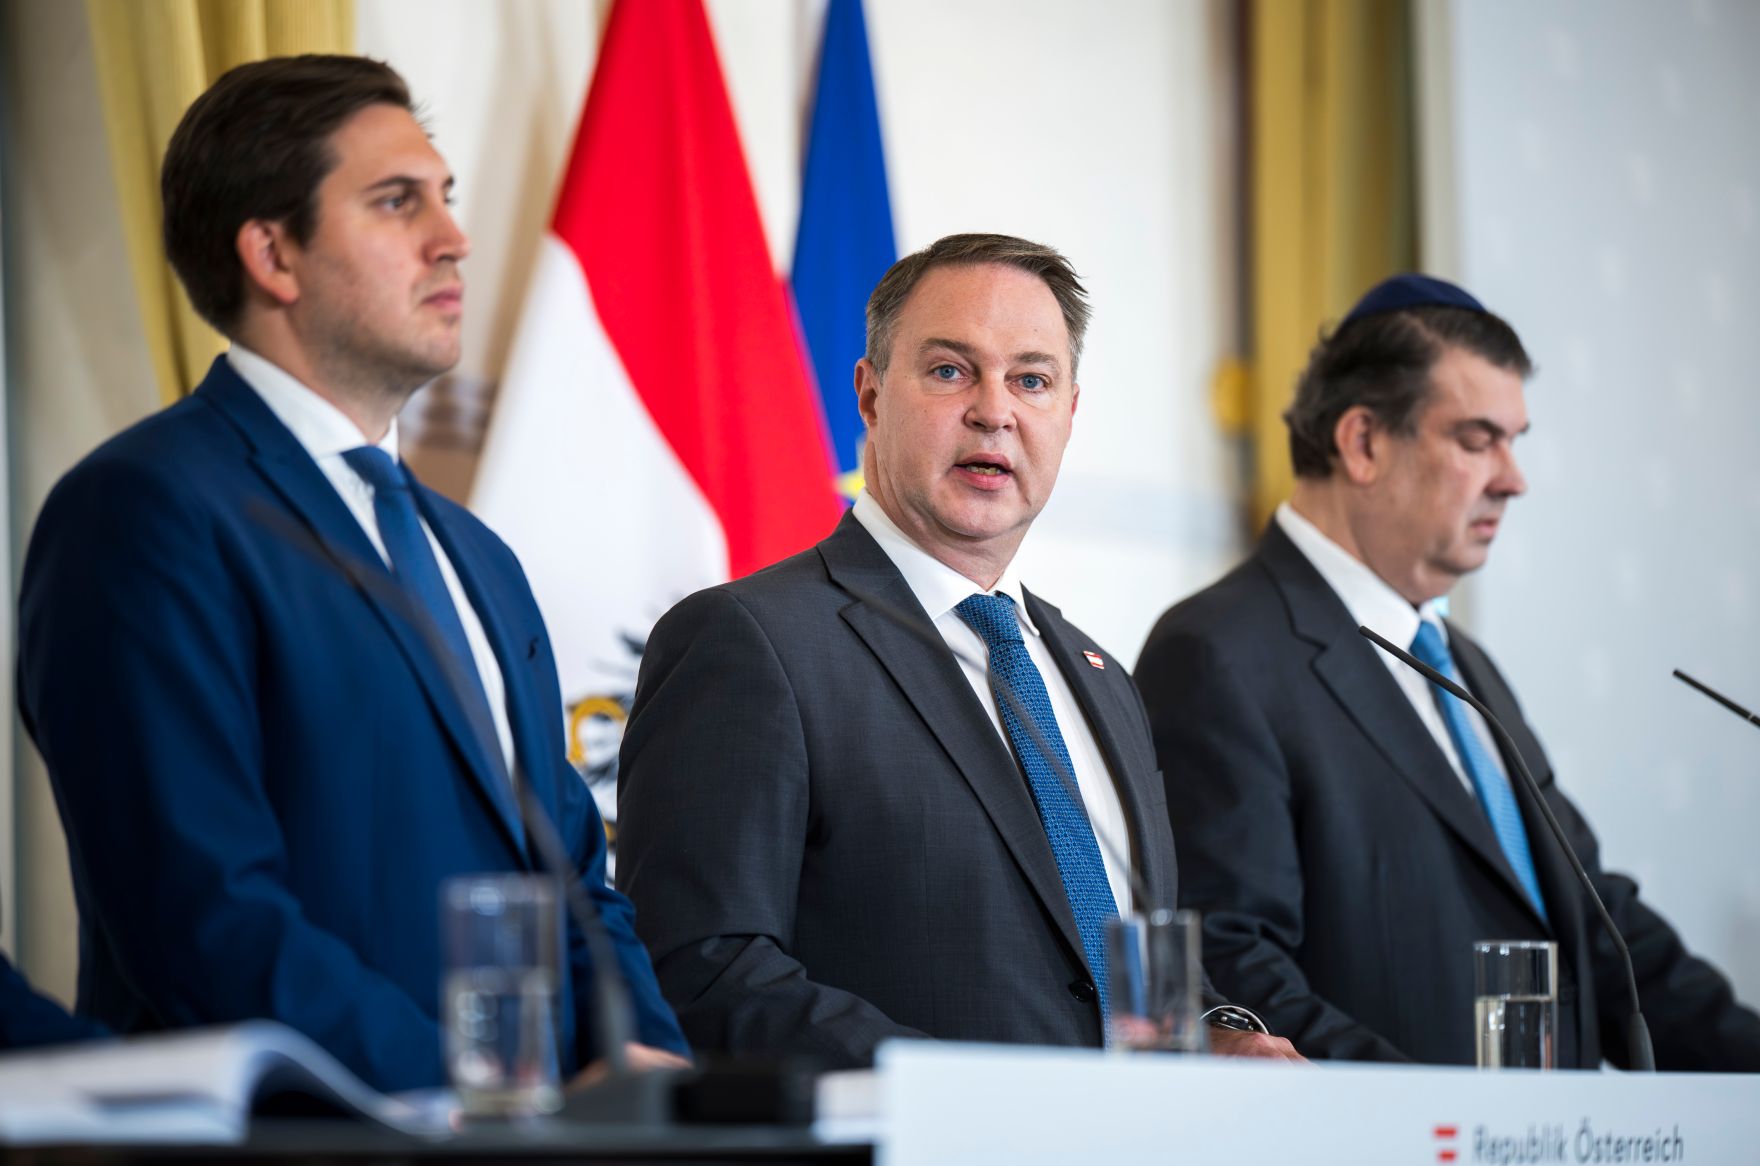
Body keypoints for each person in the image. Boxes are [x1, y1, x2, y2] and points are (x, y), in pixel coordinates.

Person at [15, 55, 688, 1091]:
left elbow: (573, 879)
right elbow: (205, 917)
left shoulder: (477, 557)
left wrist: (654, 1072)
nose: (452, 236)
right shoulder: (146, 510)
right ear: (273, 254)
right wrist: (488, 1098)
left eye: (446, 198)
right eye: (395, 202)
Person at [615, 233, 1299, 1067]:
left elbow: (1097, 972)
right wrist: (976, 1103)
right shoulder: (751, 642)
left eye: (1032, 380)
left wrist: (1208, 1034)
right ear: (869, 397)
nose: (995, 410)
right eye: (949, 370)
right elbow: (703, 967)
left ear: (1069, 415)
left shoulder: (1102, 679)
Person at [1134, 274, 1760, 1069]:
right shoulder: (1219, 650)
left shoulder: (1467, 669)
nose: (1513, 477)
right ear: (1363, 443)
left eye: (1515, 441)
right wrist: (1442, 1118)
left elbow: (1601, 930)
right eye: (1476, 439)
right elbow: (1229, 961)